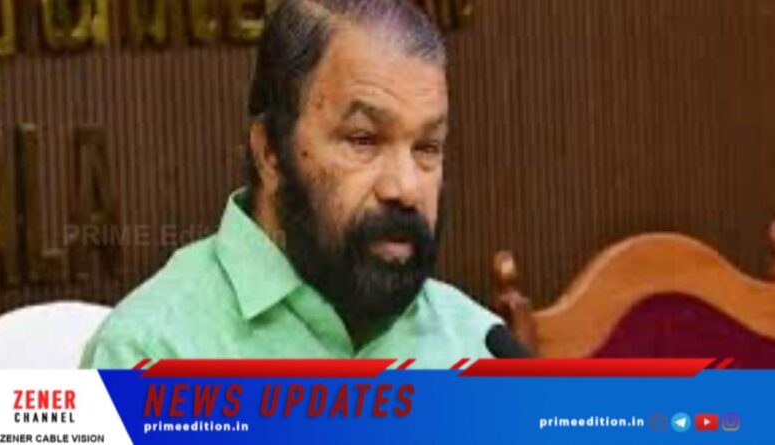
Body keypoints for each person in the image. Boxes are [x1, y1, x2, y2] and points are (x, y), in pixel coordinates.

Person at [81, 0, 500, 369]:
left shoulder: (481, 350)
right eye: (363, 140)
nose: (405, 188)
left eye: (427, 147)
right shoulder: (150, 353)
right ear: (271, 153)